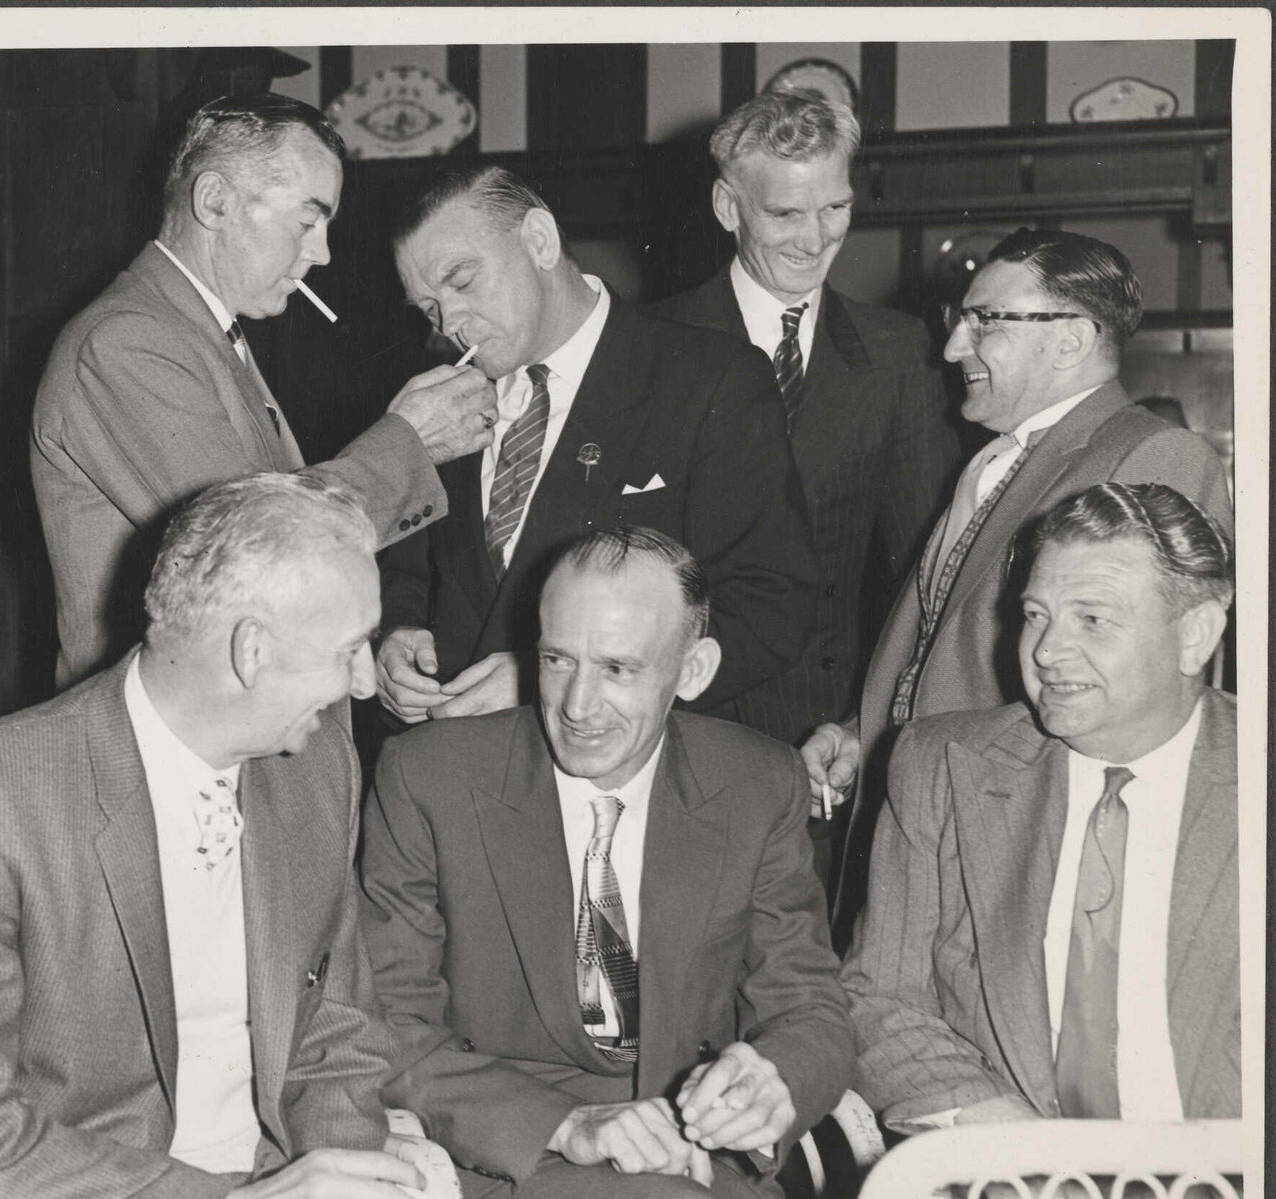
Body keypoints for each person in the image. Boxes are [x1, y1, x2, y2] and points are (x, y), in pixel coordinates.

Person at [0, 474, 436, 1199]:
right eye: (351, 648)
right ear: (250, 652)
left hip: (285, 1198)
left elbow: (338, 1033)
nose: (364, 684)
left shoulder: (317, 764)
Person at [360, 527, 851, 1199]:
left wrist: (774, 1079)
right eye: (557, 659)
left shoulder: (756, 782)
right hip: (502, 1157)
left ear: (693, 670)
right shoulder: (429, 776)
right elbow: (384, 1021)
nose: (576, 705)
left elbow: (809, 1006)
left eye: (617, 668)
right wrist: (564, 1121)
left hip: (695, 1155)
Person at [801, 228, 1234, 941]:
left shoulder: (1154, 453)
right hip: (926, 836)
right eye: (957, 320)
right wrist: (863, 731)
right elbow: (945, 640)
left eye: (985, 321)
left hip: (1013, 870)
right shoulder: (987, 463)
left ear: (1070, 339)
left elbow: (1136, 705)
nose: (951, 348)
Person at [33, 91, 497, 689]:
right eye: (307, 221)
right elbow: (254, 549)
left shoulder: (199, 332)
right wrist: (410, 441)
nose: (321, 253)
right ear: (215, 201)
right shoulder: (127, 340)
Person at [844, 483, 1238, 1134]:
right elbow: (877, 996)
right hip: (1007, 1191)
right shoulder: (942, 767)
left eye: (1091, 618)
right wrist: (1002, 1138)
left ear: (1194, 634)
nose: (1046, 651)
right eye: (1035, 615)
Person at [374, 165, 817, 735]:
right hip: (462, 778)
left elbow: (769, 608)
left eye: (461, 282)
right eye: (429, 307)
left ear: (539, 240)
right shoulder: (442, 404)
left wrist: (552, 681)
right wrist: (398, 638)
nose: (449, 324)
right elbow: (411, 570)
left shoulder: (709, 379)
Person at [654, 90, 960, 772]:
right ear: (727, 208)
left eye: (835, 209)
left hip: (830, 741)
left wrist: (866, 721)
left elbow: (929, 574)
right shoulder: (651, 344)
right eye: (785, 213)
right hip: (680, 733)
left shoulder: (897, 353)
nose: (816, 239)